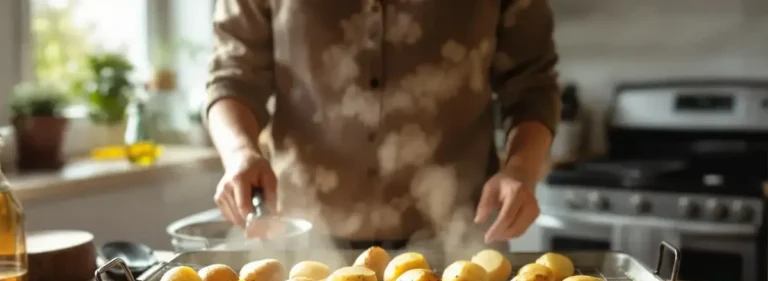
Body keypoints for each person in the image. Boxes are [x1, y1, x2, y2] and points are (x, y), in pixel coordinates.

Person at [205, 0, 560, 247]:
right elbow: (233, 77)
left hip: (460, 233)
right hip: (303, 232)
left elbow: (532, 84)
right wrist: (240, 153)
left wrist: (521, 170)